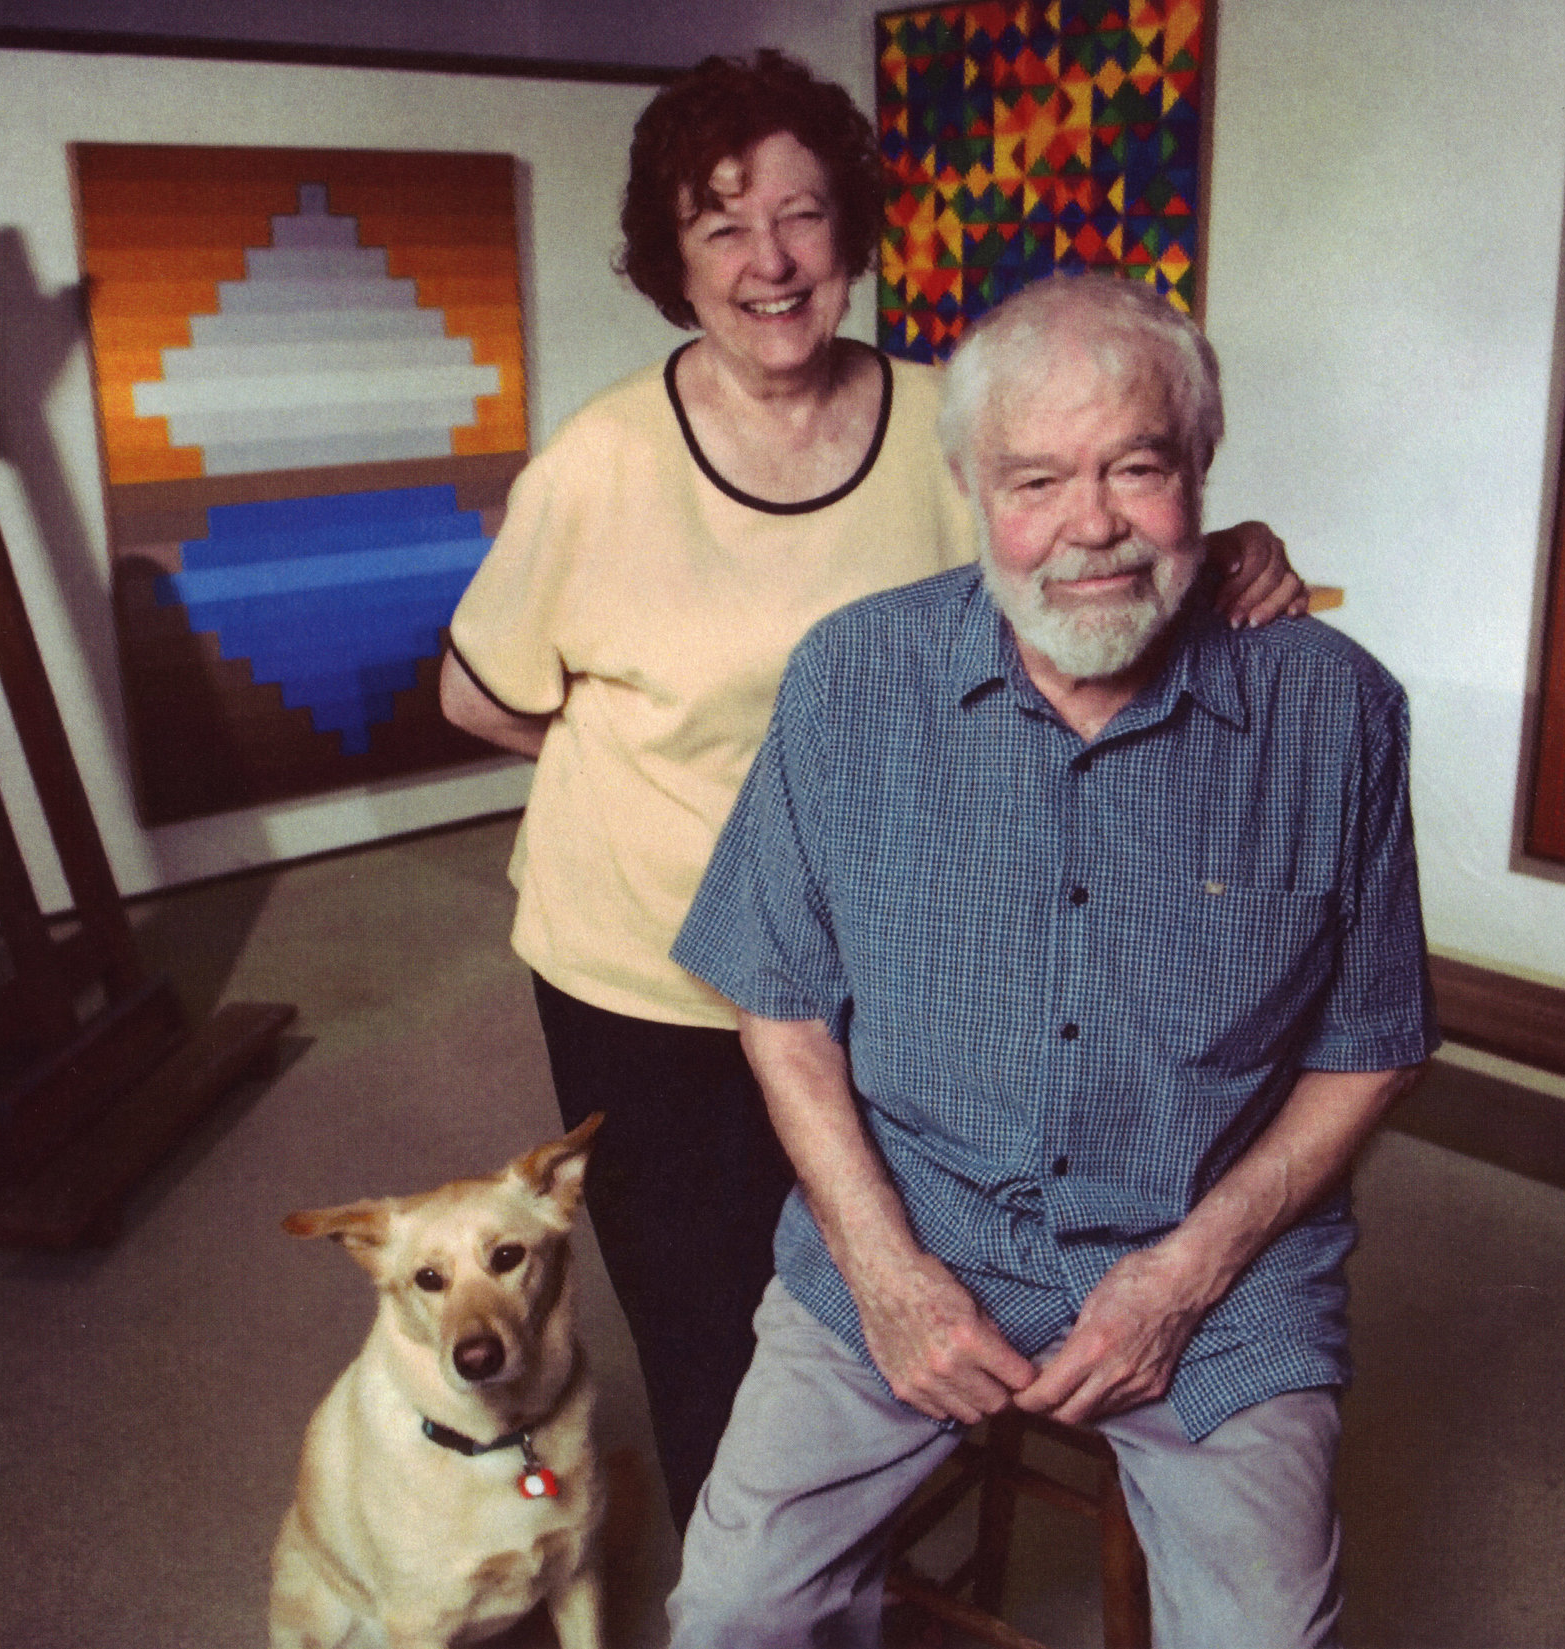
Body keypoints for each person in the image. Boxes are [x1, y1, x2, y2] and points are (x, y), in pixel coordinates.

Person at [437, 52, 1310, 1531]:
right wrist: (701, 788)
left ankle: (876, 1529)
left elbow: (1088, 548)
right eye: (722, 225)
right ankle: (768, 1582)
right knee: (710, 1309)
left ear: (851, 234)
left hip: (897, 955)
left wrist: (1234, 556)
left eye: (801, 216)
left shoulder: (949, 421)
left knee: (905, 1265)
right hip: (646, 965)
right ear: (673, 258)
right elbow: (480, 695)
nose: (768, 261)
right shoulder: (598, 463)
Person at [662, 272, 1436, 1648]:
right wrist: (889, 1274)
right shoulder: (852, 679)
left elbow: (1370, 1043)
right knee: (730, 1609)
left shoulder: (1337, 711)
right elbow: (780, 1010)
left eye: (1136, 467)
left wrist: (1186, 1273)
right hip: (911, 1228)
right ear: (971, 490)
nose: (1091, 526)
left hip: (1217, 1263)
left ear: (1201, 471)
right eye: (1035, 479)